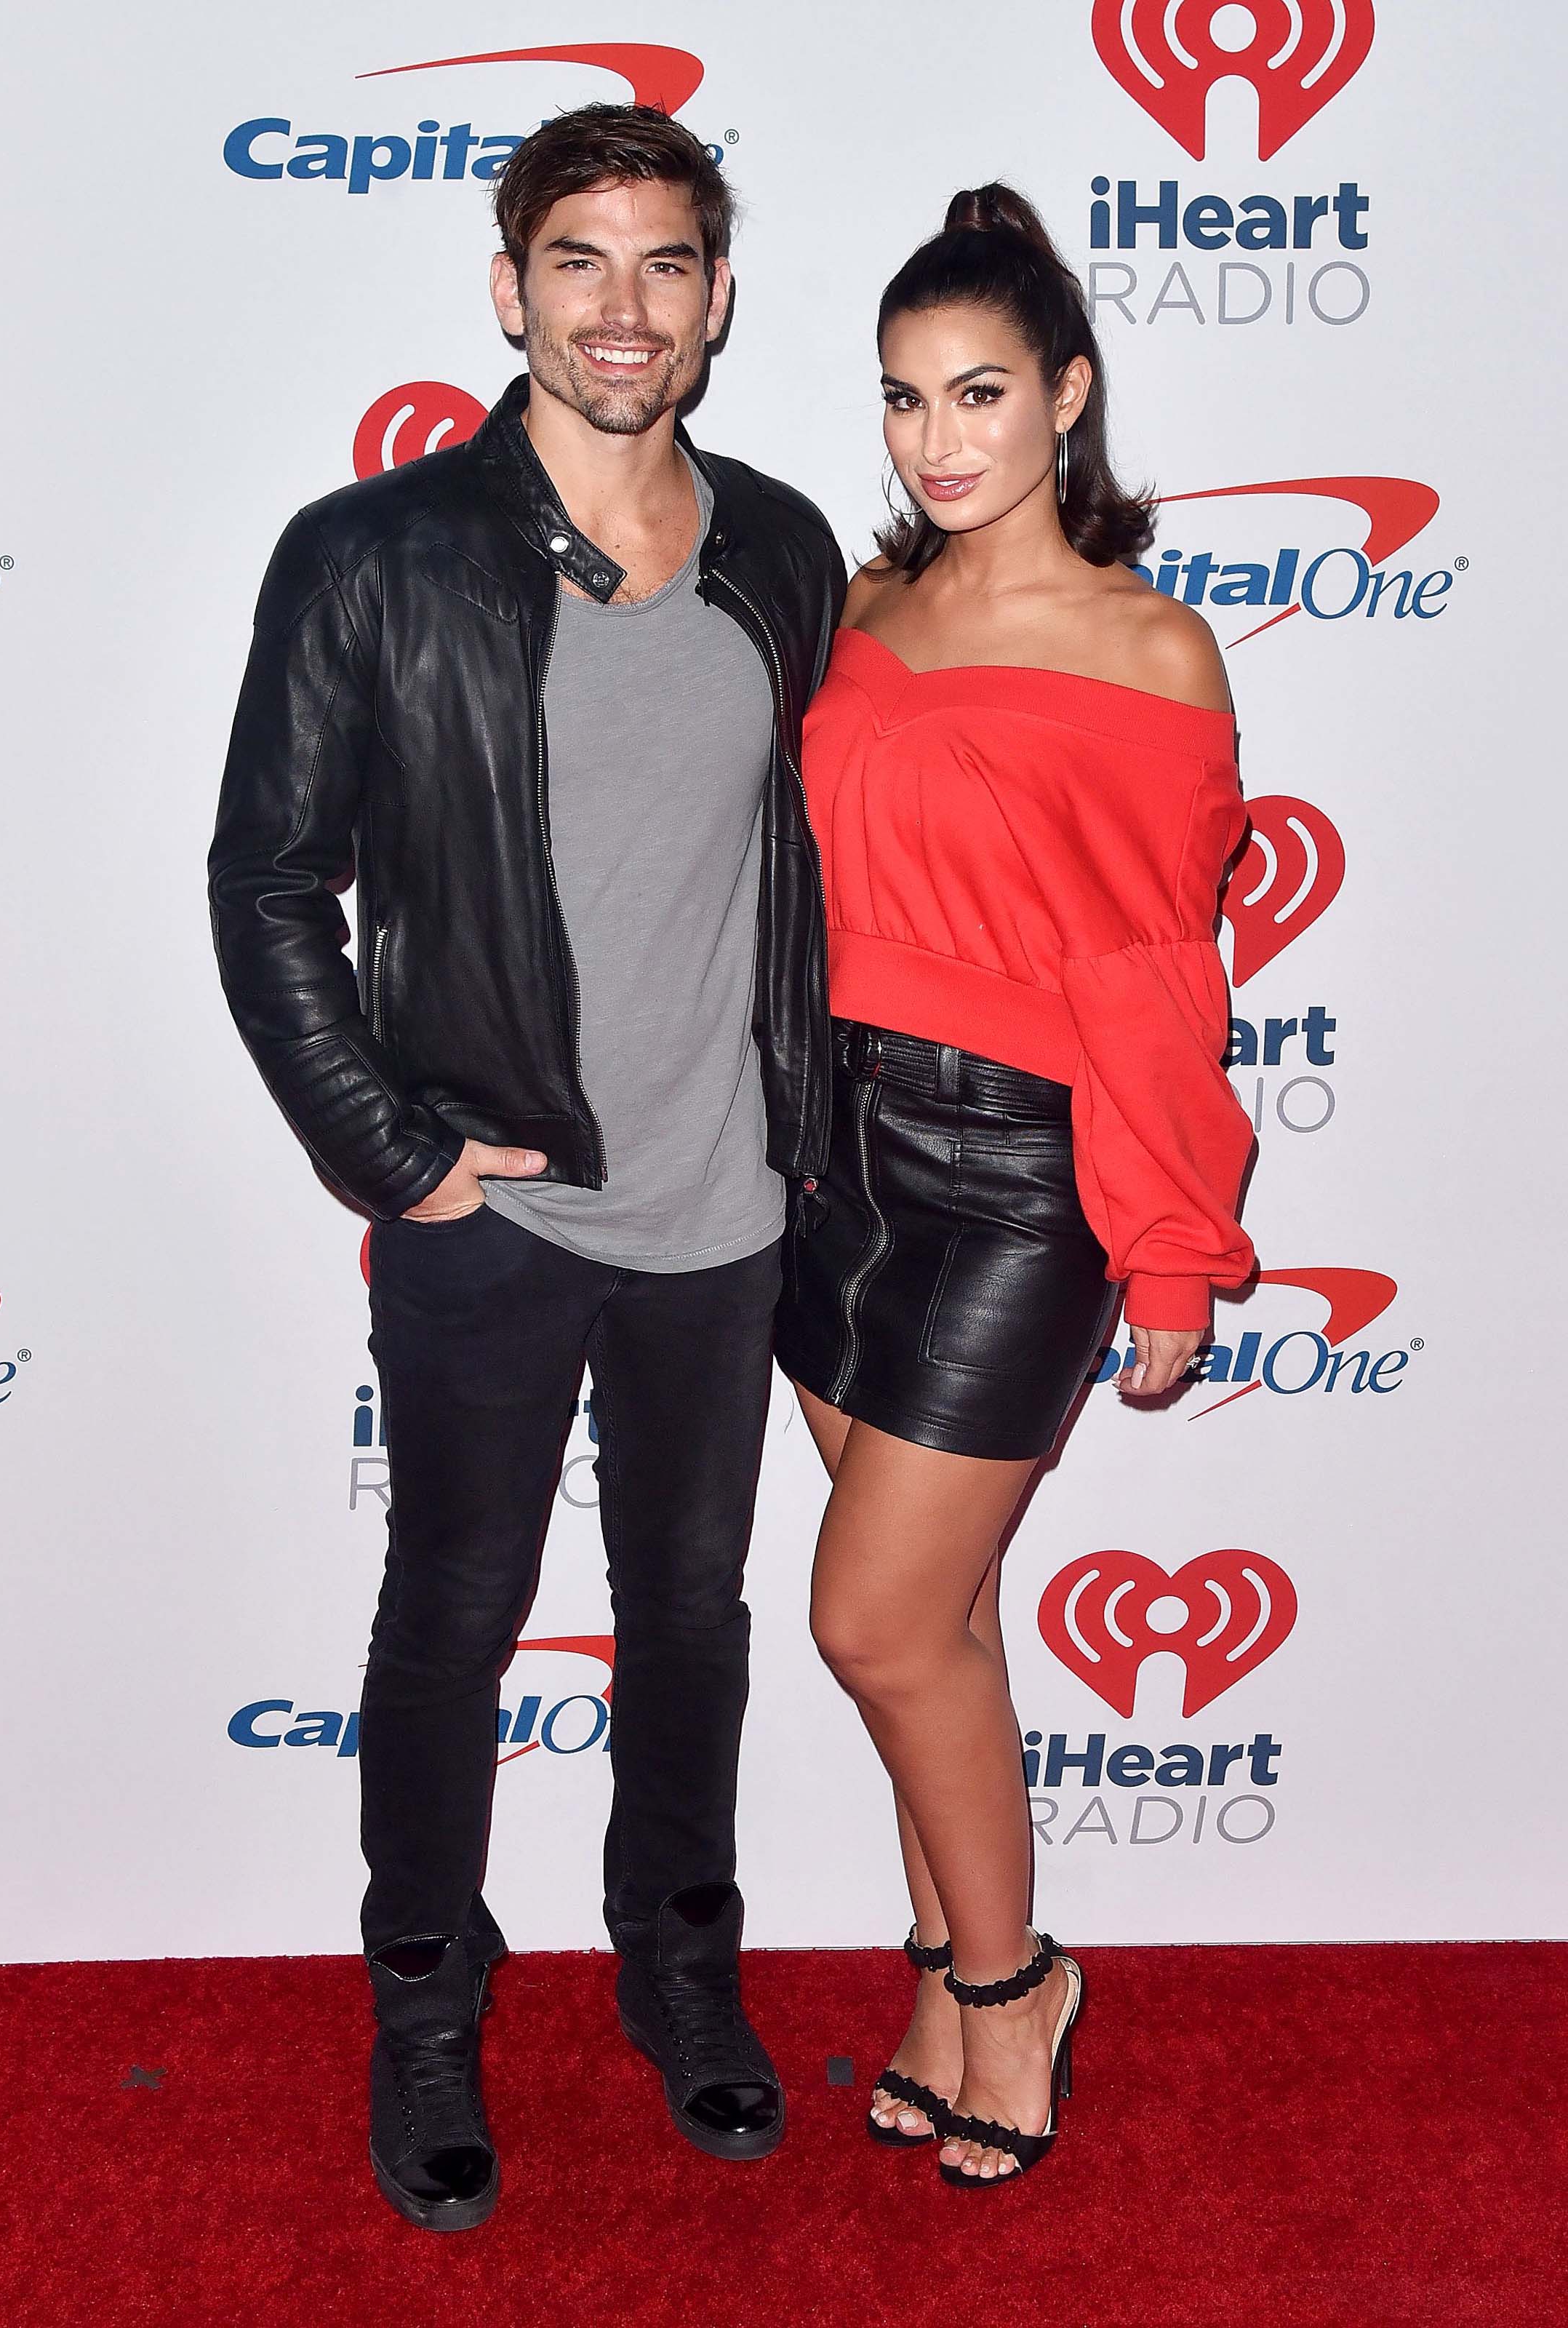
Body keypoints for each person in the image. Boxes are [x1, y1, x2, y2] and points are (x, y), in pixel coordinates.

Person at [209, 103, 844, 2231]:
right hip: (492, 1215)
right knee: (454, 1612)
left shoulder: (780, 549)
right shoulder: (369, 554)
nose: (624, 307)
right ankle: (421, 1996)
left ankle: (678, 1965)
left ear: (720, 297)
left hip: (726, 1211)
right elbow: (271, 881)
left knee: (690, 1615)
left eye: (667, 263)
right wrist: (396, 1154)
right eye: (580, 259)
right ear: (511, 288)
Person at [776, 184, 1255, 2188]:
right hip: (826, 1151)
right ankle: (938, 1977)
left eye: (979, 392)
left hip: (1014, 1178)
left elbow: (1155, 976)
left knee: (872, 1623)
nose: (939, 438)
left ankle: (1012, 1988)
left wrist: (1165, 1245)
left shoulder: (1152, 648)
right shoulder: (857, 614)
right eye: (902, 400)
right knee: (946, 1615)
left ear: (1069, 392)